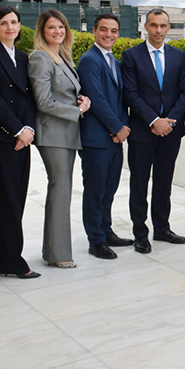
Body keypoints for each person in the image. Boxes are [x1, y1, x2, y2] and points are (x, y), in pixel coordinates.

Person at [0, 6, 40, 279]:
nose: (10, 27)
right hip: (2, 138)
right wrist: (15, 130)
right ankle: (5, 260)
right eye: (4, 23)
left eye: (14, 22)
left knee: (15, 199)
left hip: (21, 138)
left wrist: (27, 130)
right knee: (0, 200)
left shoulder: (23, 58)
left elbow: (29, 98)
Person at [121, 9, 185, 253]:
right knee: (139, 184)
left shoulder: (179, 56)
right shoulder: (131, 56)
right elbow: (130, 94)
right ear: (146, 27)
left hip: (170, 132)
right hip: (143, 131)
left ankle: (162, 228)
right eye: (154, 25)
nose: (159, 30)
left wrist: (169, 121)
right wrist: (153, 120)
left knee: (164, 182)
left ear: (168, 27)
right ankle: (140, 233)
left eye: (163, 25)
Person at [29, 9, 90, 269]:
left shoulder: (62, 56)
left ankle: (53, 250)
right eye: (52, 27)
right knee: (60, 189)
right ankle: (59, 254)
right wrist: (76, 111)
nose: (57, 32)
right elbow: (43, 101)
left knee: (62, 189)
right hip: (53, 133)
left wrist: (81, 100)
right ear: (42, 31)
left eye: (61, 27)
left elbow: (64, 93)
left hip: (67, 132)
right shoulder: (41, 58)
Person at [76, 14, 133, 260]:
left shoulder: (114, 62)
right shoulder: (89, 60)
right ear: (94, 31)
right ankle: (96, 240)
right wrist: (117, 128)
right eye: (103, 30)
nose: (108, 35)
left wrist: (124, 127)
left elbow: (121, 100)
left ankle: (106, 230)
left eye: (113, 31)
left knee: (109, 189)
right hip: (96, 139)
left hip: (114, 139)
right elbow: (96, 99)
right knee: (95, 191)